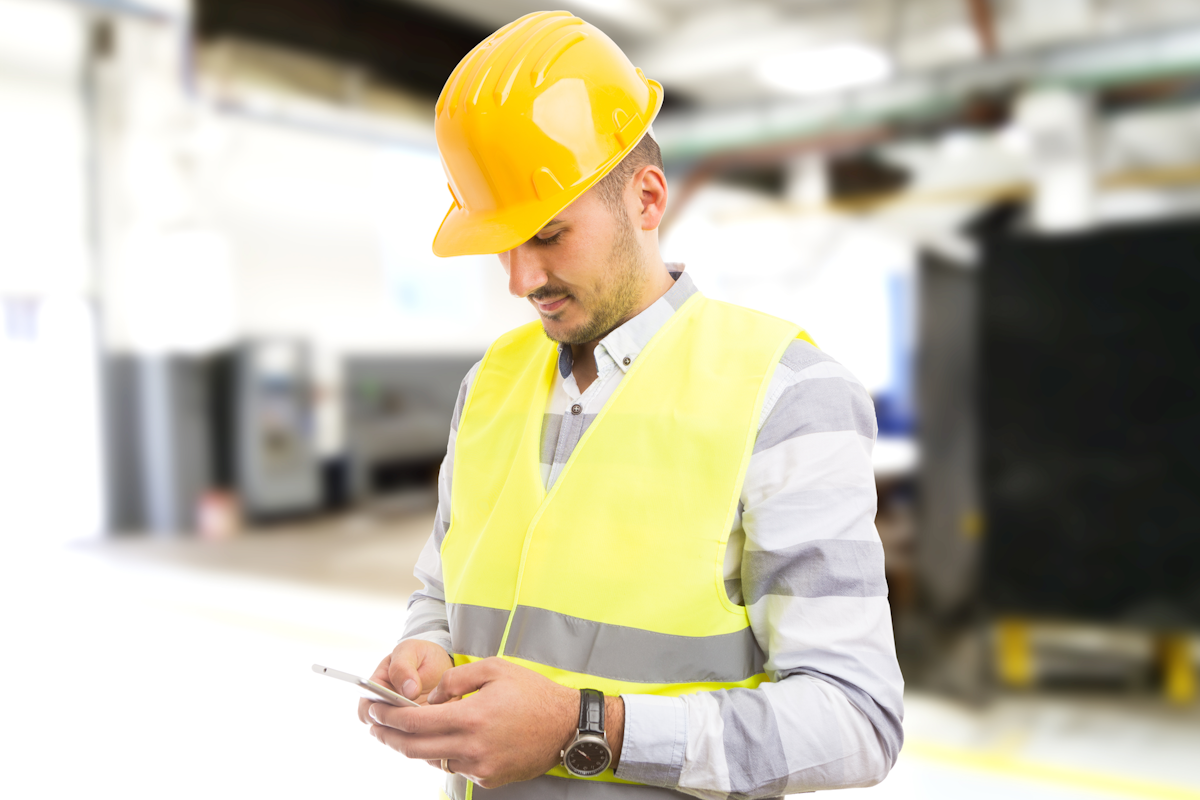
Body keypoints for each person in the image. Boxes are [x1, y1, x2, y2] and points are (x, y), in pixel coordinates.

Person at [356, 11, 903, 799]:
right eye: (502, 244)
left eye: (548, 235)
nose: (521, 280)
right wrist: (428, 649)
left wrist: (586, 729)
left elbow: (856, 720)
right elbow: (439, 591)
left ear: (646, 199)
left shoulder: (786, 392)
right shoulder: (490, 384)